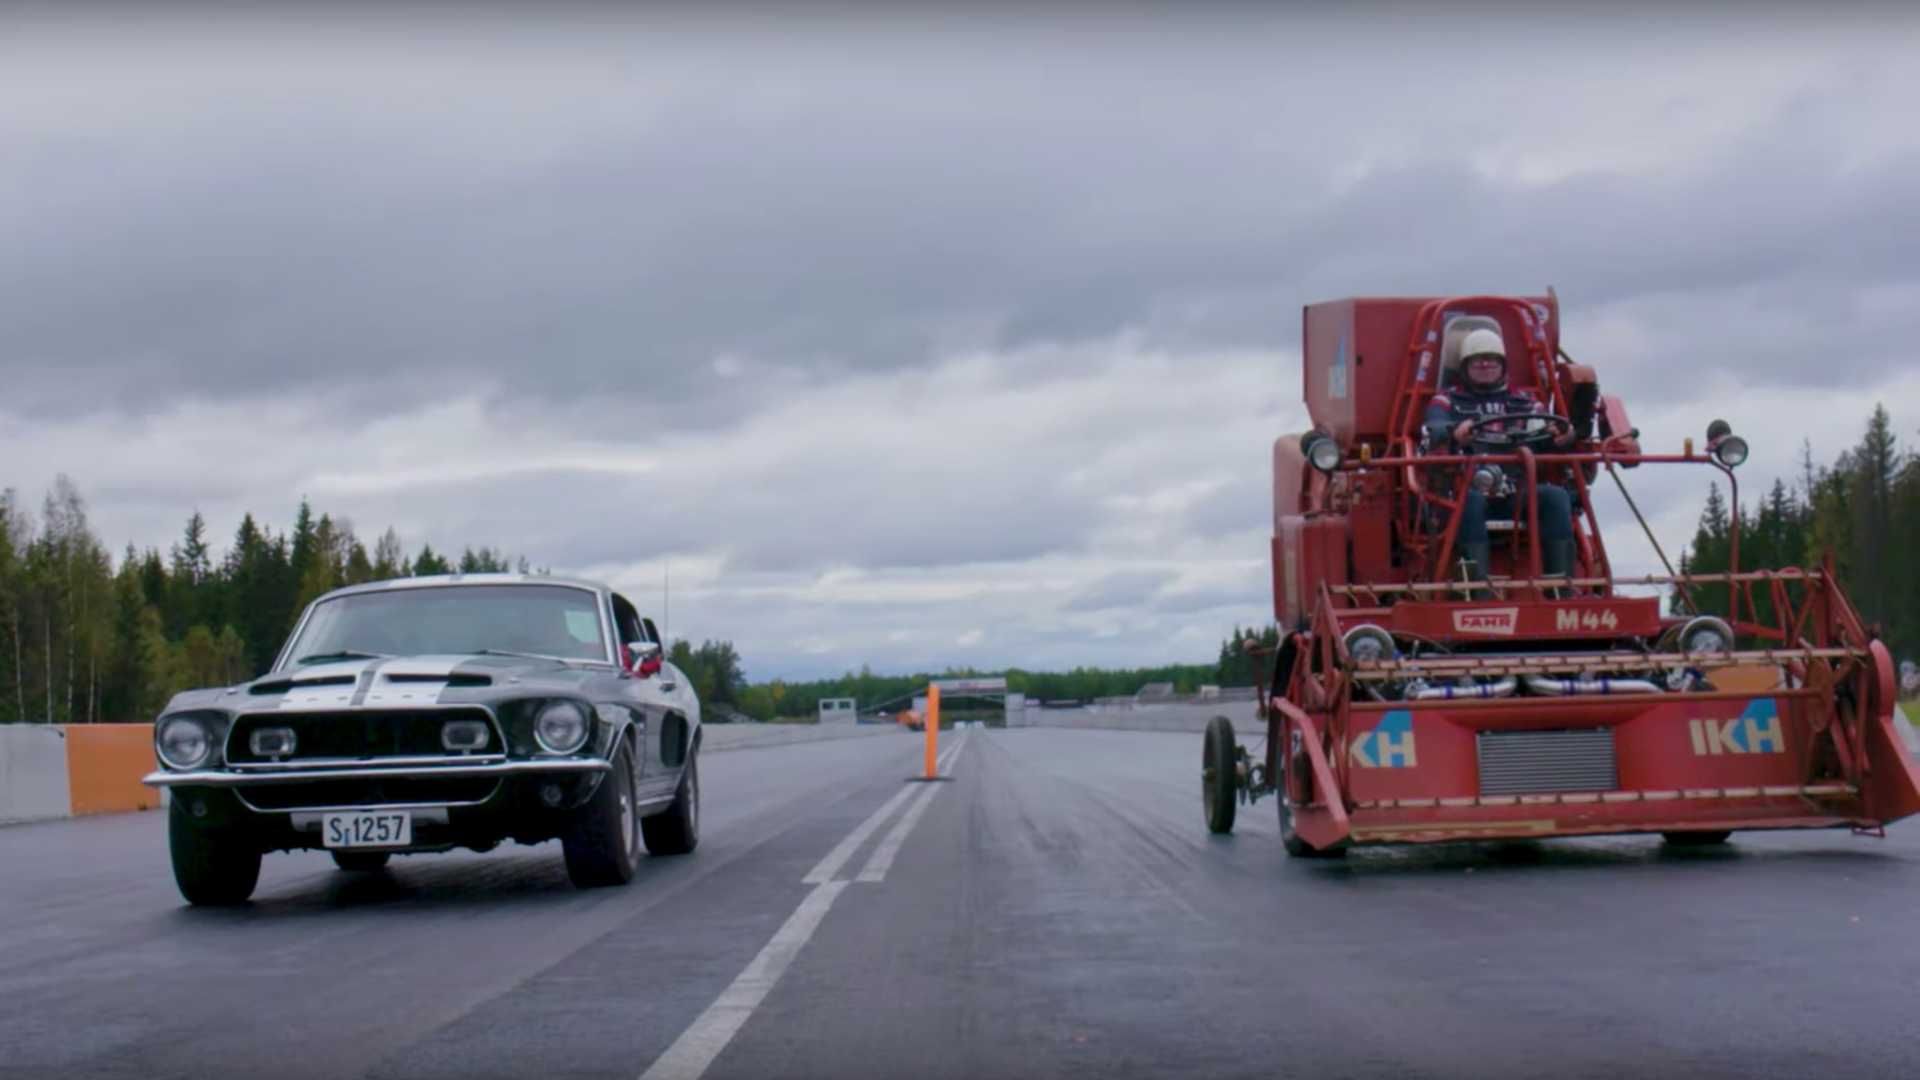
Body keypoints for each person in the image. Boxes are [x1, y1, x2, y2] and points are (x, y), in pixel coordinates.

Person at [1422, 327, 1576, 583]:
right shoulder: (1446, 401)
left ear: (1503, 365)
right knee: (1469, 502)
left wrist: (1563, 435)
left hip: (1515, 491)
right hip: (1461, 491)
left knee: (1556, 497)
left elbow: (1550, 439)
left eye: (1491, 360)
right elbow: (1434, 428)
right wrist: (1454, 433)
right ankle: (1474, 588)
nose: (1485, 365)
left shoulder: (1526, 402)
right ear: (1464, 366)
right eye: (1477, 360)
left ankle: (1561, 588)